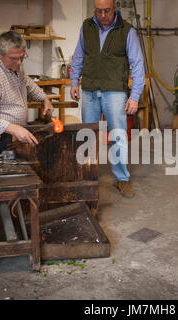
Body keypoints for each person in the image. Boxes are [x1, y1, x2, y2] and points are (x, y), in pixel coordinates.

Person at [70, 0, 145, 198]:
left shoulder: (127, 31)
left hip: (115, 91)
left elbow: (137, 65)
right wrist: (74, 82)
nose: (103, 15)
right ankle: (86, 176)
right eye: (99, 11)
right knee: (87, 136)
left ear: (115, 9)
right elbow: (79, 55)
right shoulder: (87, 27)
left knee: (118, 137)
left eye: (107, 11)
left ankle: (122, 178)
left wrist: (135, 96)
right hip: (90, 90)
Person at [0, 31, 54, 154]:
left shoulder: (15, 66)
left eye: (22, 57)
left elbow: (27, 82)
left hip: (14, 131)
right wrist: (13, 128)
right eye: (14, 58)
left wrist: (44, 98)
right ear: (0, 54)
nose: (20, 62)